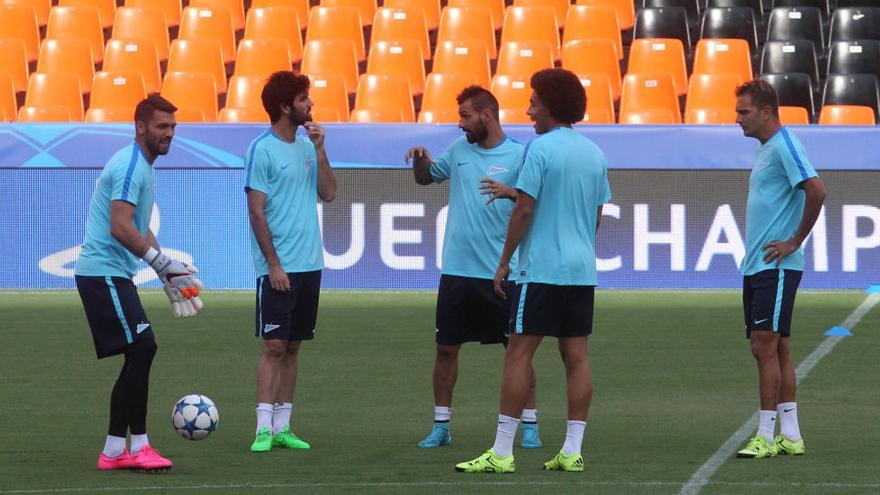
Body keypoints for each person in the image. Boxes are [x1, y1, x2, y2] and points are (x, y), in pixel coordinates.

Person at [456, 68, 612, 474]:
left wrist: (505, 260)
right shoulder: (594, 152)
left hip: (542, 269)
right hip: (581, 270)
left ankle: (502, 452)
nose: (528, 111)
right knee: (576, 357)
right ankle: (573, 450)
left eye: (533, 102)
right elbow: (596, 215)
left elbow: (524, 207)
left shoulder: (539, 150)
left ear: (550, 105)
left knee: (518, 354)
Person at [405, 86, 542, 450]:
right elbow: (427, 177)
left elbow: (533, 202)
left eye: (465, 115)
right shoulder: (459, 150)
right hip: (457, 271)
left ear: (487, 115)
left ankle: (529, 424)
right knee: (446, 349)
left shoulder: (519, 154)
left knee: (517, 351)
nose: (459, 122)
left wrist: (511, 192)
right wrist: (421, 161)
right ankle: (441, 425)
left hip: (503, 272)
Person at [76, 94, 205, 472]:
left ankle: (116, 450)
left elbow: (138, 225)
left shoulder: (142, 166)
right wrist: (158, 260)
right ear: (140, 127)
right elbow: (119, 226)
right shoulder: (133, 164)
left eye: (172, 127)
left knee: (140, 351)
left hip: (113, 274)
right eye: (162, 126)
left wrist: (164, 269)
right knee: (144, 347)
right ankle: (138, 446)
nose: (169, 134)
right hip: (103, 273)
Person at [733, 80, 826, 459]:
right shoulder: (767, 148)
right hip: (760, 264)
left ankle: (766, 436)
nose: (737, 118)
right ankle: (790, 433)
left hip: (776, 265)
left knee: (763, 346)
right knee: (779, 347)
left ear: (766, 112)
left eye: (744, 111)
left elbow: (817, 191)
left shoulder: (786, 146)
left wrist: (793, 242)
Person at [245, 71, 337, 452]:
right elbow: (256, 212)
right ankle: (262, 428)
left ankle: (283, 426)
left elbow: (329, 193)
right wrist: (273, 264)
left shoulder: (305, 147)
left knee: (294, 345)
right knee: (273, 346)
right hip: (278, 267)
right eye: (303, 99)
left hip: (309, 263)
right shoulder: (261, 149)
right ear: (285, 106)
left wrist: (319, 149)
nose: (310, 105)